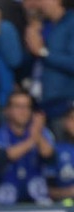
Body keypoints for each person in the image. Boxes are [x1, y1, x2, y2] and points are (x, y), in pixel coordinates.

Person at [0, 87, 54, 205]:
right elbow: (3, 157)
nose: (23, 111)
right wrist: (32, 139)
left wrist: (37, 134)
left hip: (37, 197)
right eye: (18, 107)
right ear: (7, 110)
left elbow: (48, 156)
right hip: (4, 197)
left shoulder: (43, 133)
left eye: (27, 107)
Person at [24, 0, 74, 140]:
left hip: (63, 106)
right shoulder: (44, 25)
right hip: (38, 105)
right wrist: (31, 43)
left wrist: (43, 52)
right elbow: (30, 62)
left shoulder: (71, 23)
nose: (39, 3)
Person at [46, 104, 74, 202]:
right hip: (63, 208)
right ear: (65, 122)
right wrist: (68, 192)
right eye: (72, 119)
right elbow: (46, 190)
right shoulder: (55, 151)